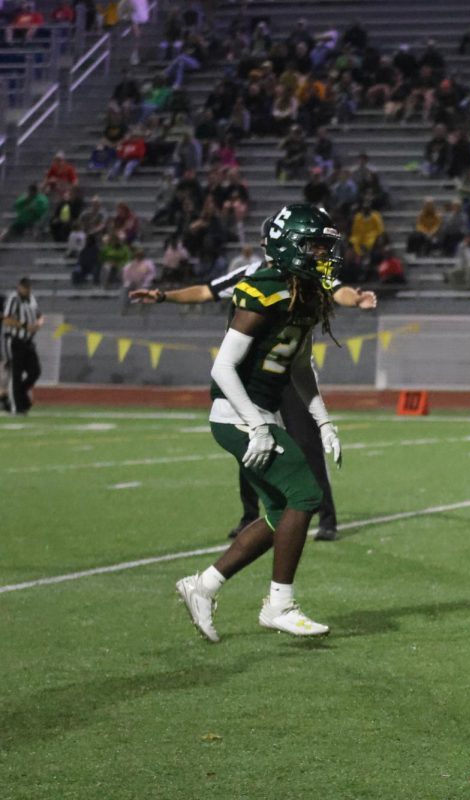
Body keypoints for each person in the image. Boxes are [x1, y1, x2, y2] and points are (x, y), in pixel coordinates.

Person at [130, 223, 377, 543]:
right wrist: (163, 295)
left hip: (290, 371)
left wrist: (355, 299)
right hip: (255, 374)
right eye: (310, 243)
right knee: (251, 443)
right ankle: (251, 515)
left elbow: (337, 288)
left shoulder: (310, 275)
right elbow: (206, 290)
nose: (319, 253)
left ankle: (326, 517)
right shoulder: (251, 276)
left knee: (307, 442)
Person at [174, 204, 348, 643]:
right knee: (306, 493)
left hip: (261, 414)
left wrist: (323, 421)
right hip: (237, 414)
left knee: (276, 516)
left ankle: (204, 586)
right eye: (314, 245)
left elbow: (300, 365)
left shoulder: (307, 291)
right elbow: (223, 369)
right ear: (290, 245)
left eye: (326, 246)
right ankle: (279, 604)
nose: (322, 254)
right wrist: (257, 425)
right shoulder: (265, 287)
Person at [1, 277, 43, 415]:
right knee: (16, 374)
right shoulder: (13, 299)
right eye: (25, 288)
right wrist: (26, 326)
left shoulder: (31, 299)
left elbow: (39, 314)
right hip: (14, 340)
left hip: (28, 342)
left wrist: (39, 323)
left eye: (29, 288)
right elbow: (6, 320)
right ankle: (16, 406)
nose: (27, 290)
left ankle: (20, 396)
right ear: (19, 287)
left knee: (35, 371)